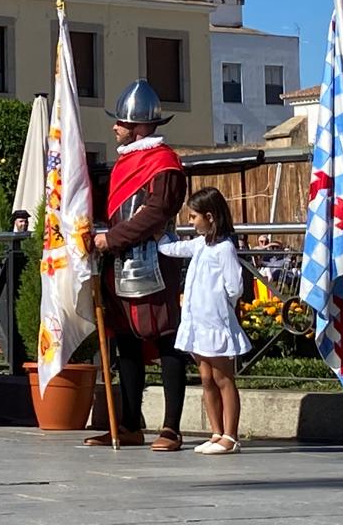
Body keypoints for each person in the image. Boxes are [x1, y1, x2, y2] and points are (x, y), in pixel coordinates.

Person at [89, 79, 189, 452]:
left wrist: (110, 239)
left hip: (154, 261)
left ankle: (171, 428)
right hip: (119, 263)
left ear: (139, 126)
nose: (114, 127)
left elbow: (156, 214)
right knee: (126, 342)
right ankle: (130, 423)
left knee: (167, 341)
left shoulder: (164, 164)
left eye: (120, 122)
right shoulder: (125, 162)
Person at [159, 188, 251, 454]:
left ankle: (230, 435)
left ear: (209, 216)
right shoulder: (199, 244)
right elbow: (173, 248)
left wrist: (221, 304)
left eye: (193, 216)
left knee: (223, 378)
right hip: (197, 323)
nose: (190, 221)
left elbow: (234, 286)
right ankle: (216, 431)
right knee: (207, 378)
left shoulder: (224, 249)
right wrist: (159, 236)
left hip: (215, 322)